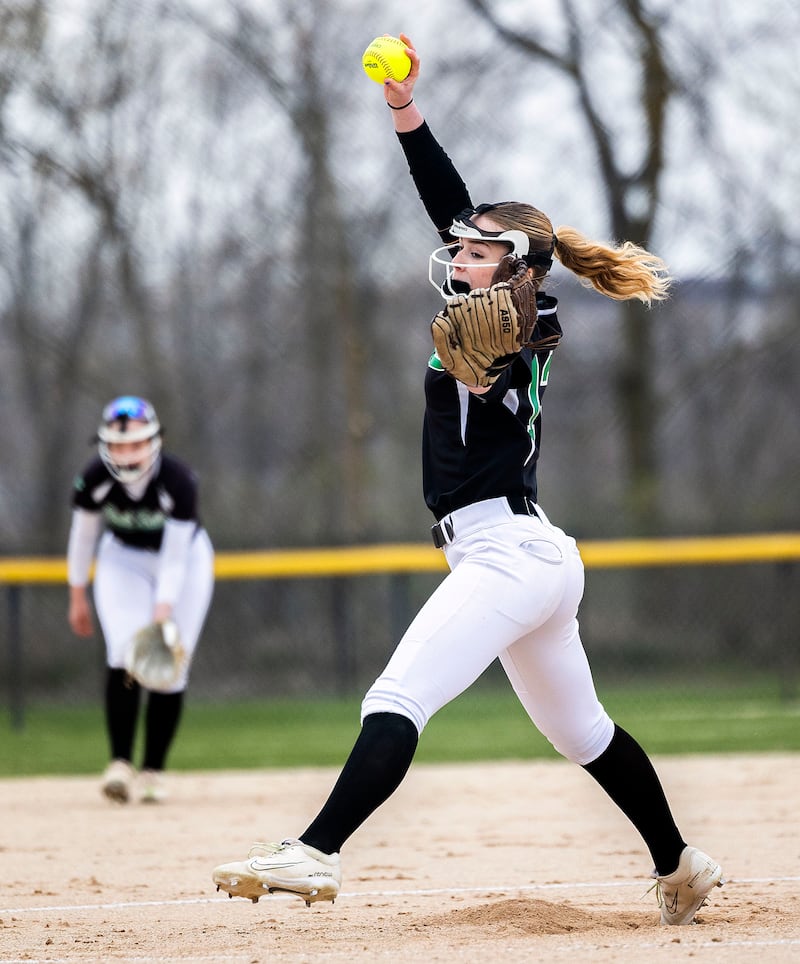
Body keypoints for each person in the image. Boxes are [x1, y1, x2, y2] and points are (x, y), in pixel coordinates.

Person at [212, 36, 723, 924]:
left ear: (517, 268)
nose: (457, 254)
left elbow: (506, 345)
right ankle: (682, 864)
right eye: (460, 247)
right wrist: (405, 110)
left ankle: (315, 854)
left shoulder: (520, 325)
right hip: (533, 552)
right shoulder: (495, 298)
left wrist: (485, 366)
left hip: (504, 553)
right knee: (584, 734)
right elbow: (453, 209)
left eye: (479, 251)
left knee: (396, 697)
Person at [67, 395, 214, 804]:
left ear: (154, 441)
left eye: (135, 443)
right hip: (123, 559)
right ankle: (119, 763)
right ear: (104, 444)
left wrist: (162, 612)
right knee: (122, 651)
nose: (126, 453)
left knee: (170, 662)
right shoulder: (94, 478)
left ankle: (153, 770)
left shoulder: (178, 480)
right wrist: (77, 594)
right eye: (118, 443)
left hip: (185, 560)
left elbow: (175, 557)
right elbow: (82, 539)